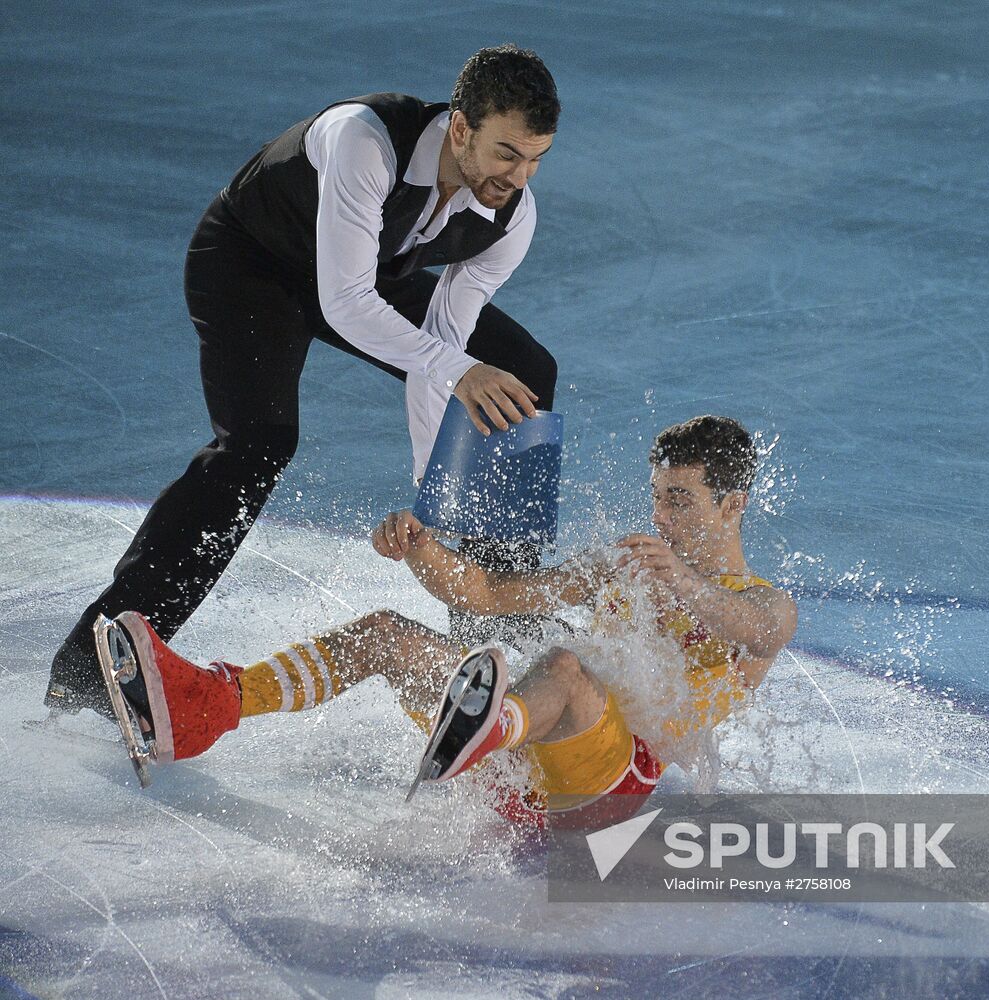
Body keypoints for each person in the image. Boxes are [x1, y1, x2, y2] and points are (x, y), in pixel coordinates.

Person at [48, 45, 561, 717]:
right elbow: (349, 306)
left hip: (369, 278)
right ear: (461, 128)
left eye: (535, 159)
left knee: (520, 378)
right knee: (257, 445)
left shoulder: (509, 218)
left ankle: (495, 635)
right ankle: (92, 671)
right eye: (505, 154)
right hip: (252, 265)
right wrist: (459, 372)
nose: (518, 177)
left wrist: (430, 495)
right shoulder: (364, 138)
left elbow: (440, 350)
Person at [95, 416, 799, 822]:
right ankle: (204, 709)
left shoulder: (765, 602)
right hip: (526, 767)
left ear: (732, 504)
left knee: (564, 667)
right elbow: (493, 593)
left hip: (612, 785)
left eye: (680, 499)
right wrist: (422, 550)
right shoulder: (627, 565)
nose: (659, 516)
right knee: (383, 634)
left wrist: (681, 581)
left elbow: (756, 629)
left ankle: (487, 728)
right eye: (657, 496)